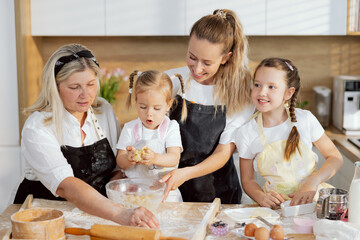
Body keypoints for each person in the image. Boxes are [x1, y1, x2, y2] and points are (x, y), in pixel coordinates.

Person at [13, 44, 159, 228]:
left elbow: (115, 168)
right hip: (44, 218)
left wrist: (124, 195)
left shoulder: (103, 110)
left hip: (97, 215)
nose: (86, 95)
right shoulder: (38, 126)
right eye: (75, 87)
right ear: (55, 87)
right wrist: (121, 213)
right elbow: (65, 185)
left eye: (91, 84)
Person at [161, 9, 255, 204]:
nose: (197, 69)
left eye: (207, 62)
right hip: (172, 189)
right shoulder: (172, 81)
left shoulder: (240, 94)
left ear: (225, 58)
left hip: (219, 193)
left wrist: (186, 173)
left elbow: (223, 153)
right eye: (192, 57)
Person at [235, 57, 343, 207]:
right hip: (275, 209)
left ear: (288, 93)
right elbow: (248, 180)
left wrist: (313, 182)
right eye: (257, 85)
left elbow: (335, 157)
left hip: (313, 204)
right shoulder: (246, 132)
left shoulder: (305, 120)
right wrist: (261, 197)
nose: (262, 92)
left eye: (271, 87)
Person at [116, 70, 183, 202]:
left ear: (168, 105)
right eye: (143, 107)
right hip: (135, 192)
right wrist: (129, 158)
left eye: (156, 108)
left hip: (165, 193)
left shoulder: (170, 127)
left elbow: (174, 158)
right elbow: (120, 161)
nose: (149, 114)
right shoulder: (130, 128)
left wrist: (154, 158)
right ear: (136, 102)